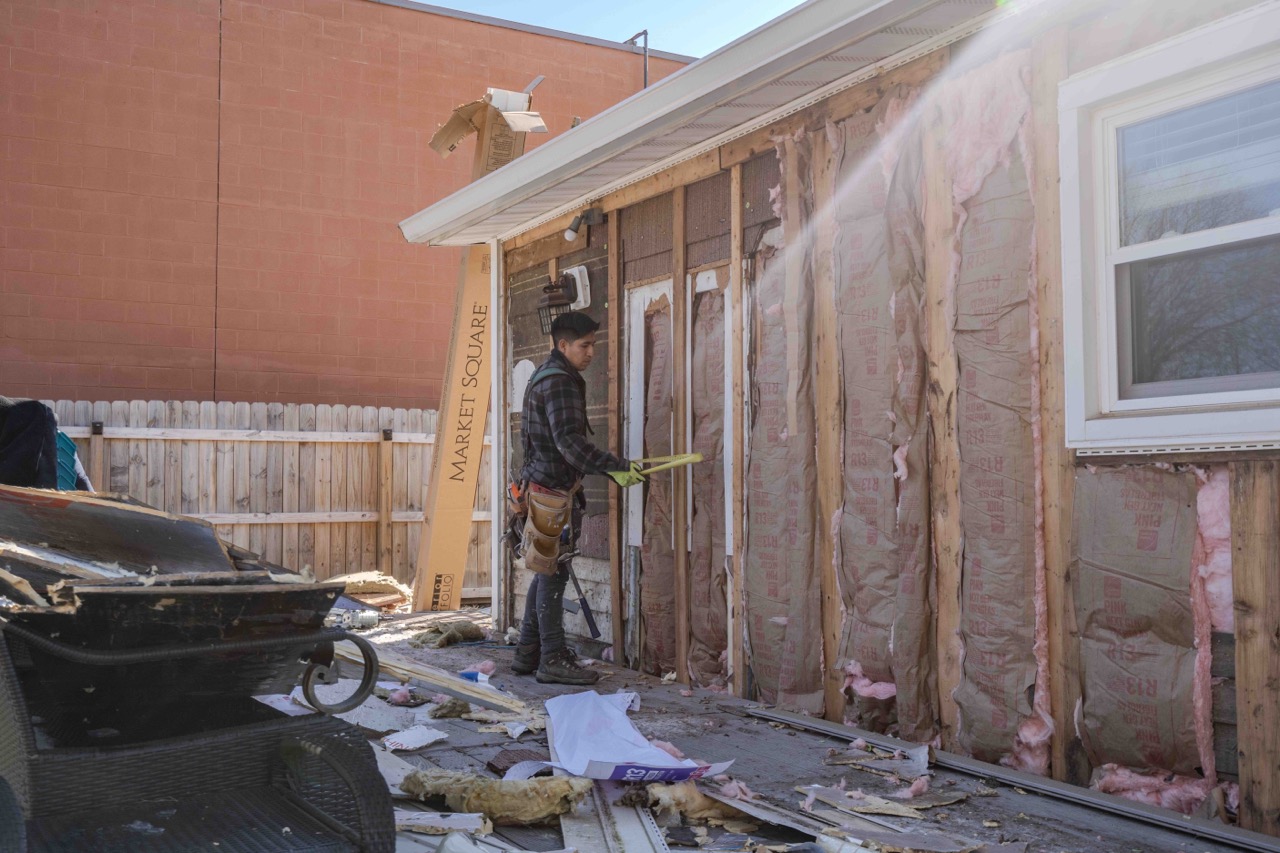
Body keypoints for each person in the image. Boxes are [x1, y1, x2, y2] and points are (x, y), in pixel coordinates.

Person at [512, 311, 641, 685]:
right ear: (562, 345)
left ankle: (527, 653)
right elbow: (569, 444)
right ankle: (551, 657)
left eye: (593, 345)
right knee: (552, 572)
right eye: (585, 345)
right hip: (552, 493)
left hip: (542, 488)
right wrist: (614, 467)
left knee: (546, 568)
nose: (591, 353)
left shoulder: (545, 376)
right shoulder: (561, 383)